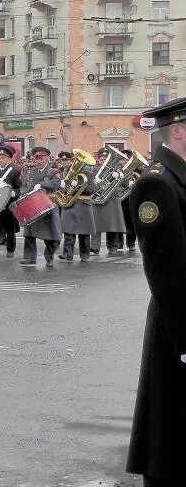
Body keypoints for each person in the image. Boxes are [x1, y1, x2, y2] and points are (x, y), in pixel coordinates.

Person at [125, 97, 186, 486]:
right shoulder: (157, 182)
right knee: (171, 426)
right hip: (179, 323)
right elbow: (167, 269)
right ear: (178, 129)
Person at [19, 146, 62, 269]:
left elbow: (56, 183)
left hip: (48, 204)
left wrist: (41, 184)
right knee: (29, 233)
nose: (38, 161)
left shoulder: (53, 171)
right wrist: (23, 193)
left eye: (41, 158)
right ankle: (29, 257)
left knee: (49, 233)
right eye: (36, 158)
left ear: (47, 158)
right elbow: (24, 185)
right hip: (32, 204)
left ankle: (49, 257)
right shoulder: (30, 172)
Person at [57, 151, 97, 262]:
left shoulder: (88, 174)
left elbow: (93, 190)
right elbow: (60, 189)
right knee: (68, 231)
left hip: (83, 204)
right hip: (70, 203)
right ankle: (67, 254)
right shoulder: (65, 173)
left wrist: (79, 186)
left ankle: (84, 255)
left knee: (84, 232)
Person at [90, 148, 126, 257]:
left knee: (112, 225)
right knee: (96, 225)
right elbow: (89, 186)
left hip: (112, 200)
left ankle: (113, 247)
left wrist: (120, 176)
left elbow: (125, 184)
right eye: (101, 159)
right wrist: (94, 182)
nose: (103, 161)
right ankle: (94, 247)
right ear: (99, 160)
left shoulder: (118, 170)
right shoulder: (94, 171)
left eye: (105, 159)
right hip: (97, 199)